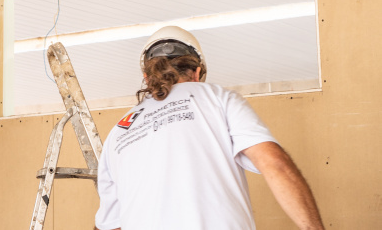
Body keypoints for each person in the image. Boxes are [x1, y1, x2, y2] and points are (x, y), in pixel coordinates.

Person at [94, 26, 324, 230]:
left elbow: (109, 225)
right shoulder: (218, 99)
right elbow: (275, 164)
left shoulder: (119, 132)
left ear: (147, 77)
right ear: (196, 72)